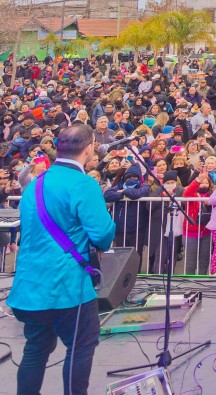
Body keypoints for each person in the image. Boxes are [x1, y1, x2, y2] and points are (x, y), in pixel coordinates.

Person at [7, 124, 116, 395]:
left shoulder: (36, 183)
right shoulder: (84, 184)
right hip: (68, 288)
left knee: (36, 350)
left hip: (29, 288)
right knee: (81, 347)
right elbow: (102, 236)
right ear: (90, 148)